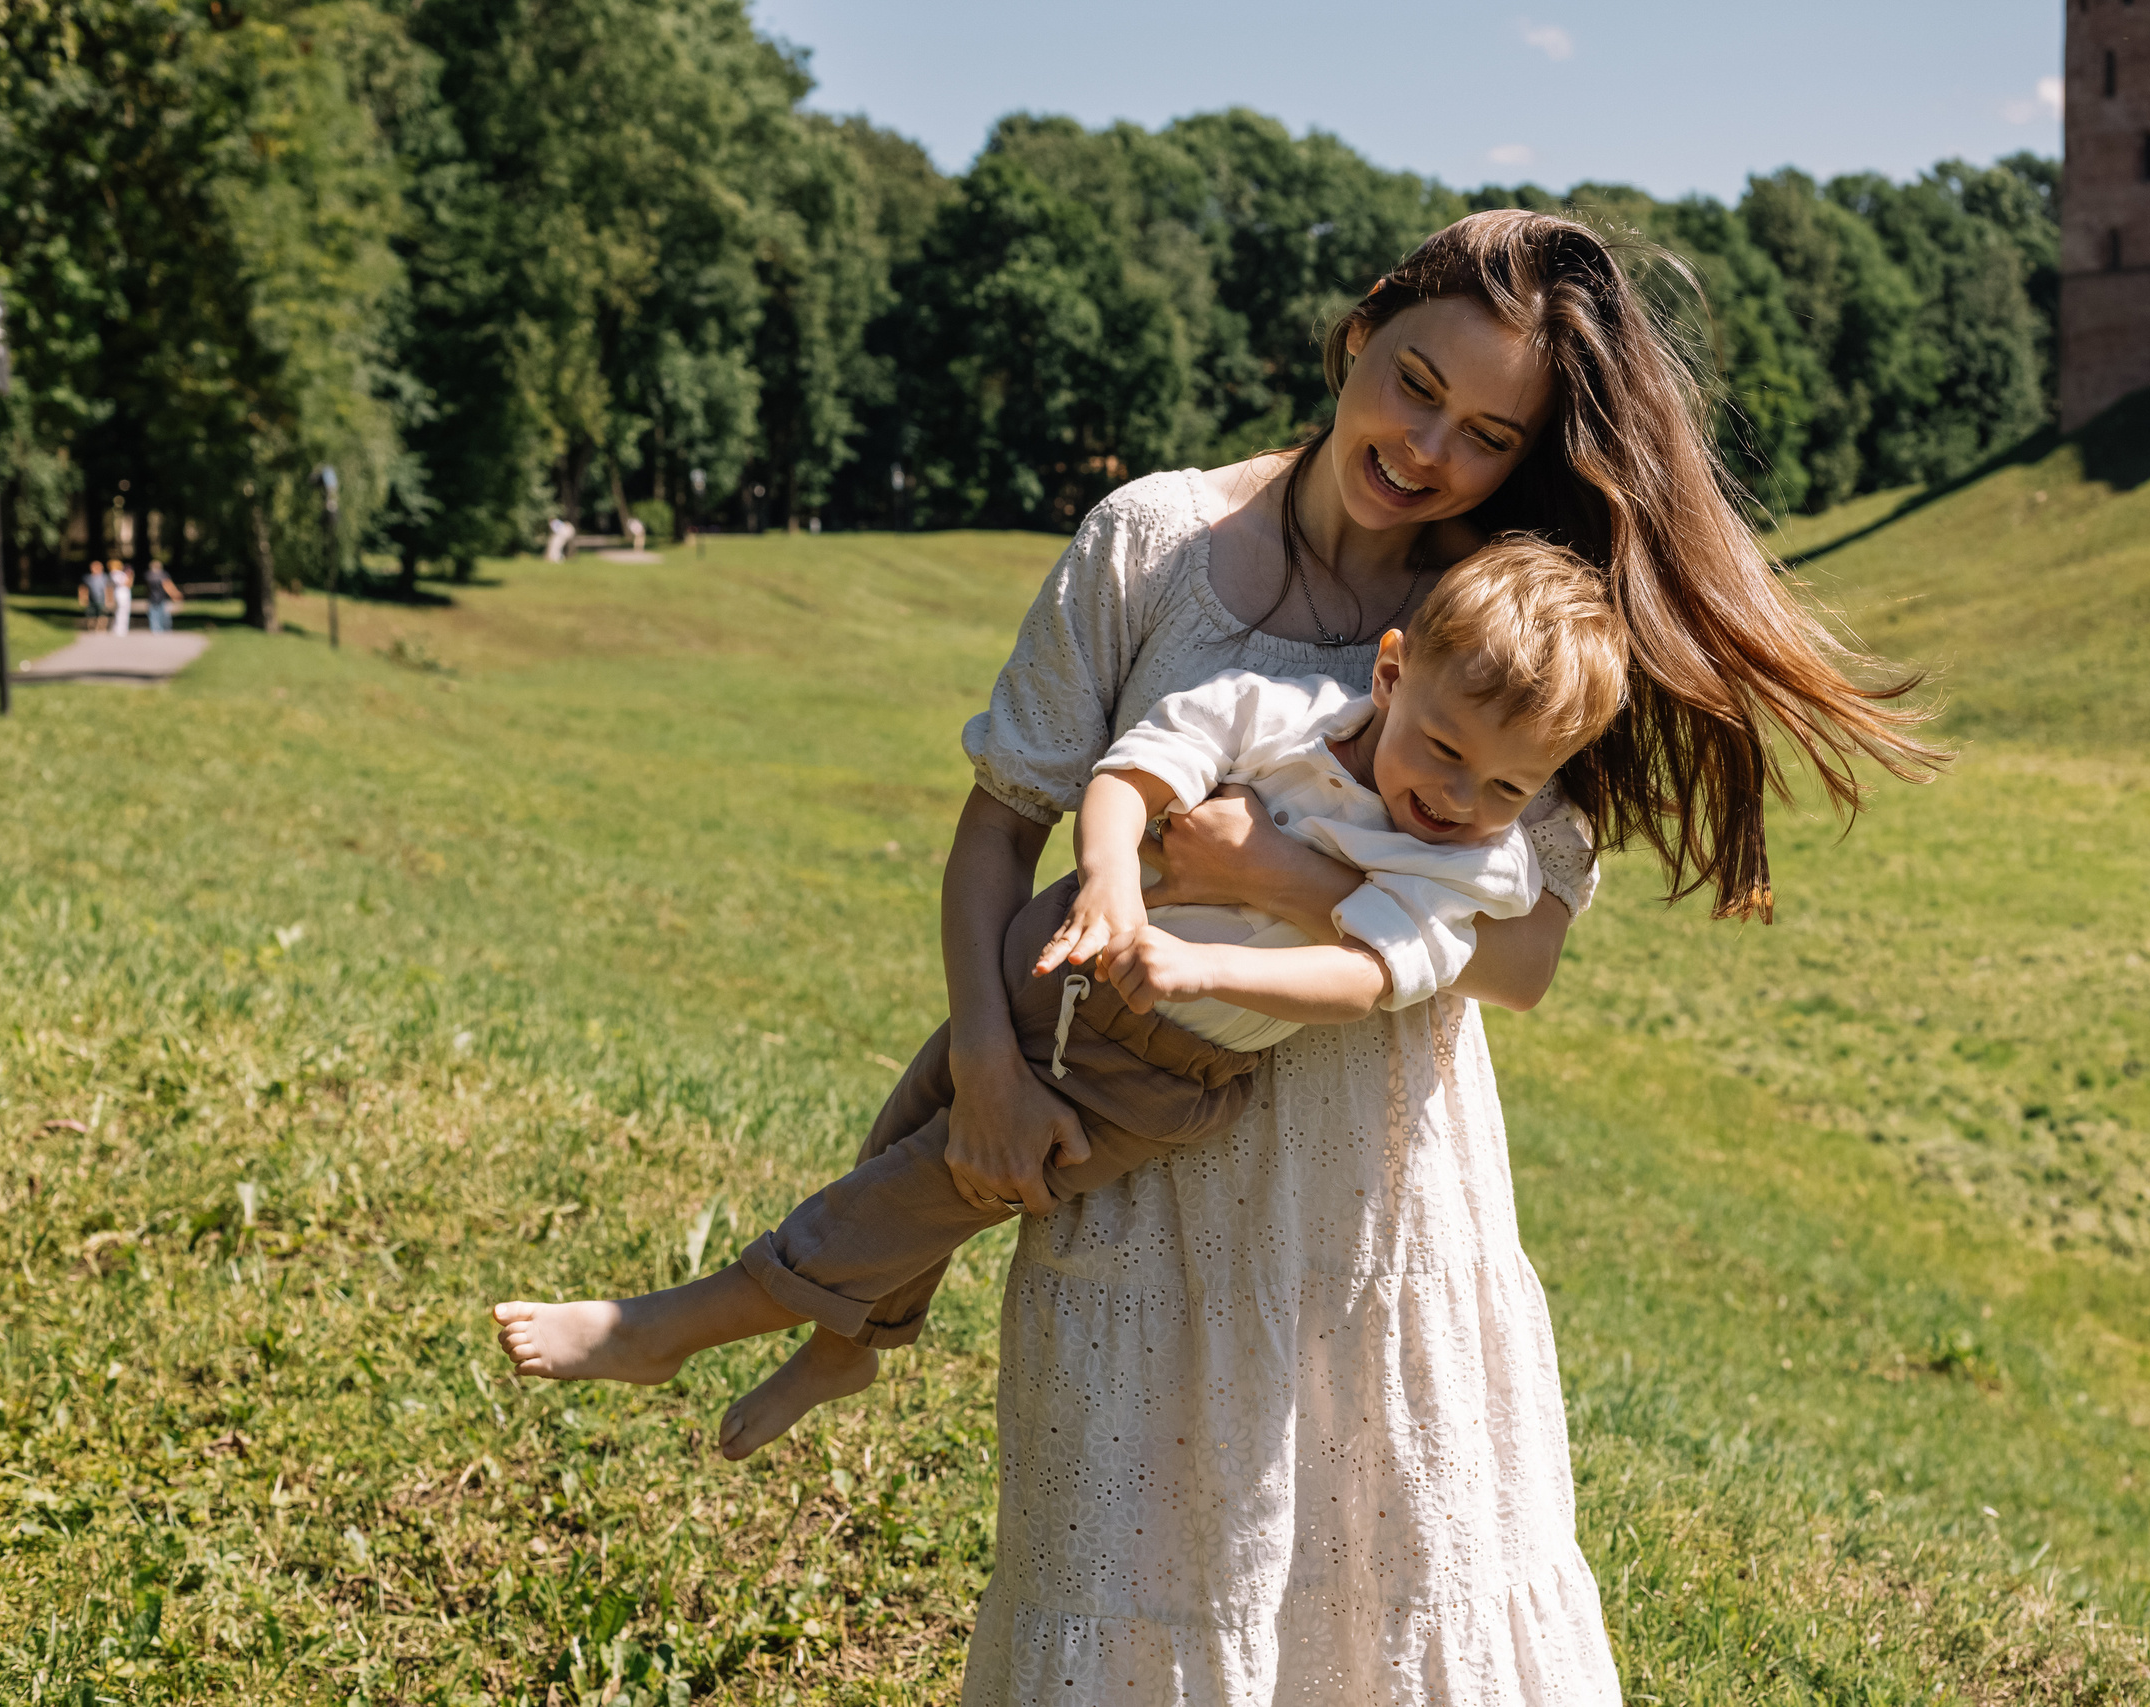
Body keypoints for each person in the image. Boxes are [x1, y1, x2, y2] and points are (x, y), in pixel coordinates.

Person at [559, 210, 1938, 1701]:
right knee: (1143, 1583)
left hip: (1378, 1194)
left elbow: (1520, 955)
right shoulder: (1155, 542)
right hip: (1141, 1187)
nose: (1429, 450)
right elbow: (995, 832)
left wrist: (1259, 868)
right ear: (1359, 336)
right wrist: (981, 1055)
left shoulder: (1506, 616)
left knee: (1397, 1586)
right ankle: (801, 1317)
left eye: (1486, 433)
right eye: (1415, 383)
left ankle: (791, 1313)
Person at [494, 538, 1626, 1465]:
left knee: (926, 1193)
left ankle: (665, 1326)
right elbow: (1134, 773)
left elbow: (1374, 976)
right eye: (1444, 749)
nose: (1457, 796)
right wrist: (1113, 879)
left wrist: (1205, 970)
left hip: (1152, 1065)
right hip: (1059, 948)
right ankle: (852, 1343)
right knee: (918, 1125)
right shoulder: (1276, 709)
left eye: (1506, 787)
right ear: (1389, 672)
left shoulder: (1473, 865)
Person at [142, 560, 182, 633]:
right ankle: (164, 629)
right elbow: (168, 586)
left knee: (153, 615)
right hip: (162, 597)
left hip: (152, 597)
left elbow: (147, 588)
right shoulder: (163, 575)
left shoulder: (148, 575)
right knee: (163, 614)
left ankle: (155, 629)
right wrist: (174, 594)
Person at [81, 560, 110, 632]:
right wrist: (83, 598)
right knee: (91, 615)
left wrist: (109, 599)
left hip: (102, 599)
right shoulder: (87, 578)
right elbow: (83, 589)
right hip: (91, 599)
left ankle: (101, 628)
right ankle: (91, 628)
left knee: (102, 614)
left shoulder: (104, 577)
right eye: (93, 567)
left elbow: (108, 589)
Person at [108, 560, 133, 635]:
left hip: (123, 593)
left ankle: (120, 627)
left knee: (122, 611)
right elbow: (125, 583)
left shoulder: (117, 573)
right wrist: (129, 575)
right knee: (122, 611)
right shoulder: (116, 573)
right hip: (121, 594)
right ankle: (120, 628)